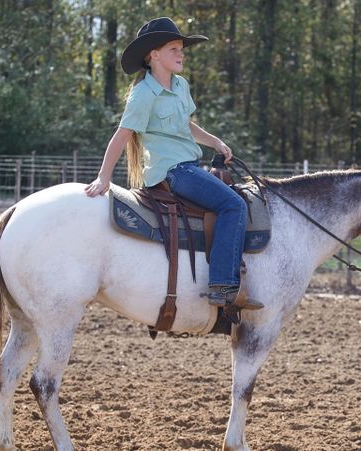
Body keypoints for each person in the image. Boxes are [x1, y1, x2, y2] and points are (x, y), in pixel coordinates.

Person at [85, 17, 262, 310]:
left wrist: (215, 141)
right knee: (234, 205)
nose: (181, 54)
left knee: (234, 199)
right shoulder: (143, 94)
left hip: (190, 165)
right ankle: (222, 285)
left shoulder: (181, 85)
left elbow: (187, 125)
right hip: (172, 171)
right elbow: (123, 134)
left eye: (181, 48)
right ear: (154, 55)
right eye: (173, 49)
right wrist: (104, 177)